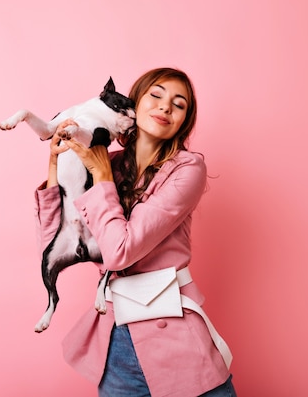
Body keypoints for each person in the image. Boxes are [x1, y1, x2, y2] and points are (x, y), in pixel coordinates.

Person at [34, 67, 237, 397]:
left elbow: (120, 251)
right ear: (134, 103)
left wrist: (99, 174)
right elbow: (54, 235)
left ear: (184, 122)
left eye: (179, 104)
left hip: (173, 332)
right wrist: (56, 163)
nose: (165, 107)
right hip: (116, 339)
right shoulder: (107, 161)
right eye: (155, 95)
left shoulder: (186, 169)